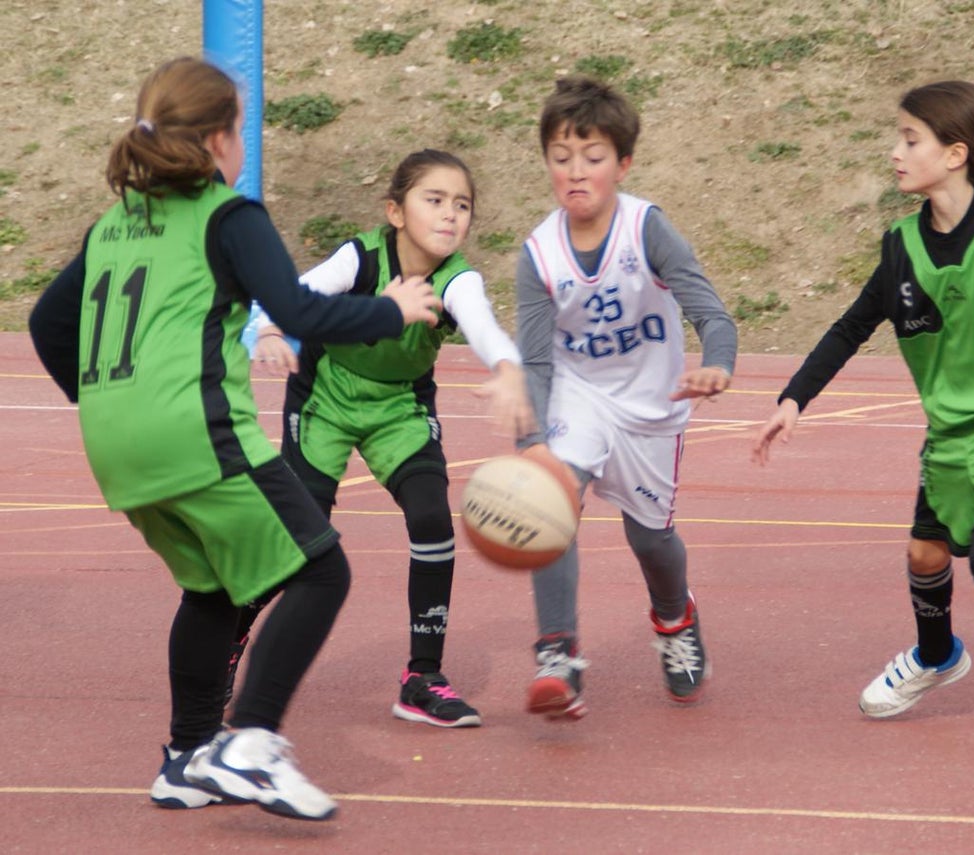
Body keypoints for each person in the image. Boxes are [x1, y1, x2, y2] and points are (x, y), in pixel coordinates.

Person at [28, 57, 442, 820]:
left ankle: (186, 758)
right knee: (323, 569)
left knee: (215, 587)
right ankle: (250, 740)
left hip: (114, 444)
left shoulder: (115, 222)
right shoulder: (227, 215)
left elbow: (46, 324)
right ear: (220, 137)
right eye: (240, 127)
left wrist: (109, 406)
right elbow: (301, 311)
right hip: (195, 432)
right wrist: (393, 308)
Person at [750, 80, 974, 763]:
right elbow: (849, 328)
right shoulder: (901, 249)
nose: (894, 152)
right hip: (950, 432)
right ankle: (939, 652)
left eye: (909, 139)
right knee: (925, 554)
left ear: (954, 154)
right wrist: (792, 400)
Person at [234, 148, 534, 729]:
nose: (451, 215)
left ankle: (422, 677)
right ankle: (229, 640)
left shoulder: (457, 279)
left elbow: (484, 328)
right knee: (298, 545)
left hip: (399, 408)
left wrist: (508, 370)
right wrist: (270, 326)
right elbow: (295, 291)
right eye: (435, 200)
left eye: (463, 205)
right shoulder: (361, 257)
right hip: (324, 401)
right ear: (395, 211)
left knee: (432, 520)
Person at [514, 76, 738, 720]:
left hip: (650, 406)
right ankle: (556, 653)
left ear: (623, 164)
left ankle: (675, 619)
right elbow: (533, 359)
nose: (575, 172)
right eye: (561, 158)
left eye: (592, 158)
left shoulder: (648, 230)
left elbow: (713, 317)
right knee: (551, 503)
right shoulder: (539, 254)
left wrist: (717, 366)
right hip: (577, 395)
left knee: (652, 541)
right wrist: (532, 447)